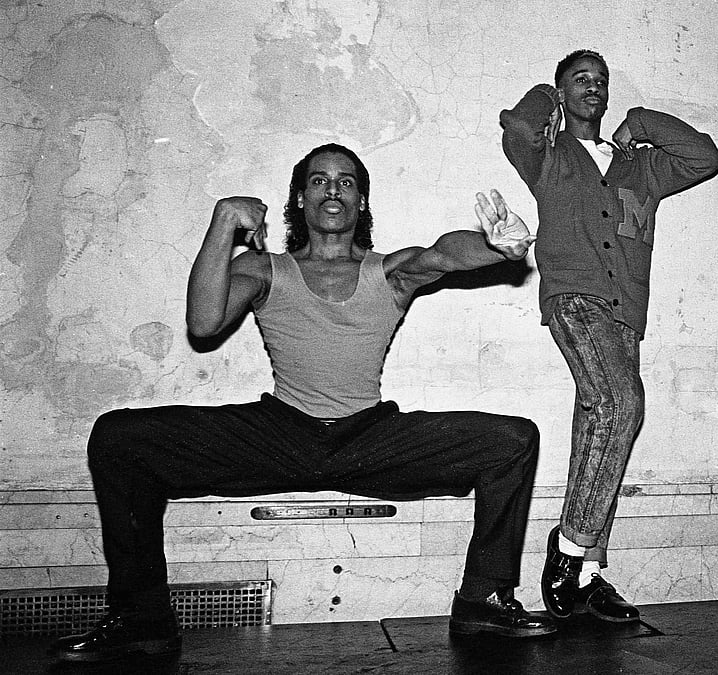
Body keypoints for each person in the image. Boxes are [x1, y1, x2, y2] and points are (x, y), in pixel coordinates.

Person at [53, 144, 554, 663]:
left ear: (361, 201)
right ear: (300, 199)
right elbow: (203, 324)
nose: (333, 189)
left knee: (511, 439)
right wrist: (223, 222)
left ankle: (484, 600)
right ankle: (142, 619)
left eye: (346, 181)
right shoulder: (265, 268)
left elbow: (443, 254)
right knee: (119, 436)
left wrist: (498, 247)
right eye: (319, 180)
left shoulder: (390, 272)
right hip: (280, 432)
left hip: (368, 436)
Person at [499, 49, 718, 623]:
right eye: (580, 79)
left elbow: (706, 157)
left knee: (600, 429)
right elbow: (517, 128)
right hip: (575, 295)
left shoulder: (641, 166)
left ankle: (591, 574)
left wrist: (641, 123)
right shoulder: (549, 154)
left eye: (600, 80)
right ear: (564, 91)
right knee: (623, 405)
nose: (592, 87)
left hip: (627, 313)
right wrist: (549, 98)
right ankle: (570, 552)